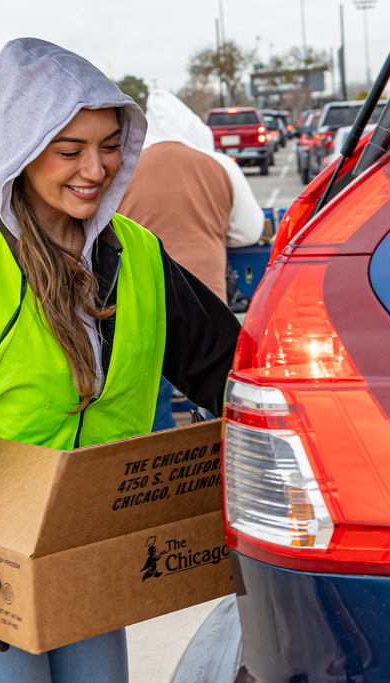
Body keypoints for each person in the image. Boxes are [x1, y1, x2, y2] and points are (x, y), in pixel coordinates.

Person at [0, 38, 239, 683]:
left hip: (76, 545)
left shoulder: (137, 255)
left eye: (110, 145)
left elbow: (228, 369)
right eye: (69, 150)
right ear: (20, 151)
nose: (96, 169)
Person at [118, 90, 263, 431]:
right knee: (215, 395)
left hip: (138, 299)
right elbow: (249, 231)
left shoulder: (125, 166)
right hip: (205, 299)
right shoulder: (218, 164)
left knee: (150, 398)